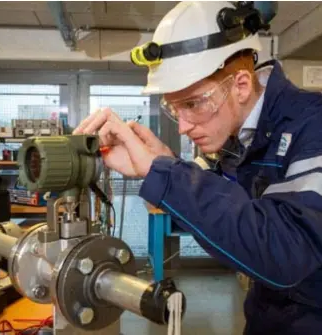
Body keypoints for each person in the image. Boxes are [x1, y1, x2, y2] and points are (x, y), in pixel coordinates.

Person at [73, 2, 322, 334]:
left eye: (192, 104)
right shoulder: (242, 136)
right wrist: (160, 166)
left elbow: (285, 253)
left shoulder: (313, 126)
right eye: (175, 109)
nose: (183, 127)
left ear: (242, 85)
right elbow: (231, 213)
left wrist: (164, 175)